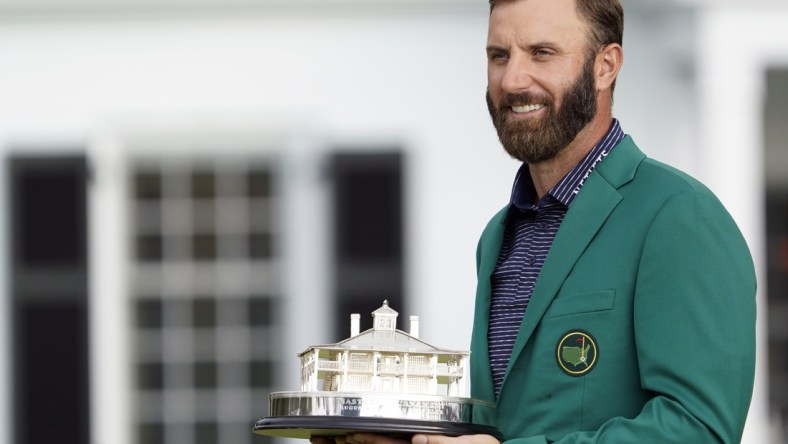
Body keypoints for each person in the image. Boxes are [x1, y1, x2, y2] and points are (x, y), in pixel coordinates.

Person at [314, 0, 756, 443]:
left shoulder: (679, 216)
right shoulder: (498, 235)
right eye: (498, 56)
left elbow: (700, 431)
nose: (512, 80)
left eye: (542, 53)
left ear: (606, 66)